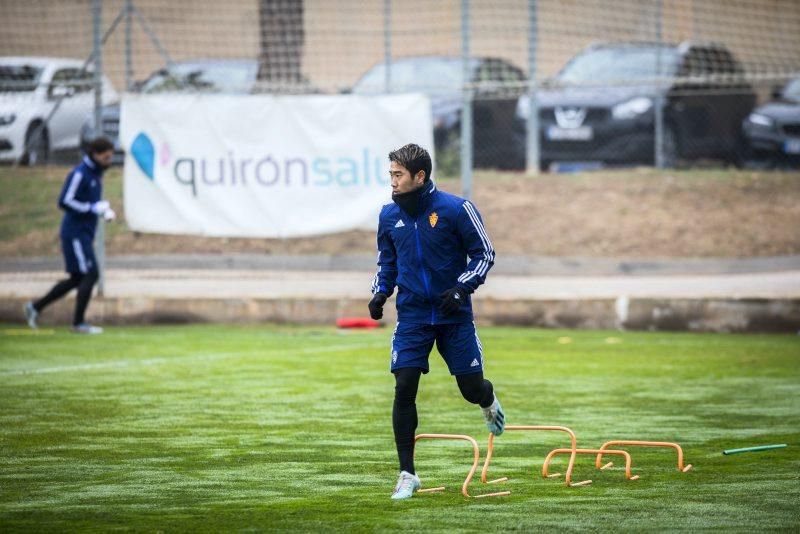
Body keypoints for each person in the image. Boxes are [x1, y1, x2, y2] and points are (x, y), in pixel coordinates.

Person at [369, 143, 505, 500]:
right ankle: (407, 473)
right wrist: (381, 292)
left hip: (453, 317)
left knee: (470, 388)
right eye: (391, 175)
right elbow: (387, 262)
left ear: (420, 176)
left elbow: (484, 253)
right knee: (404, 387)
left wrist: (462, 288)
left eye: (398, 175)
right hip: (412, 316)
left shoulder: (457, 209)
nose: (393, 182)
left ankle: (488, 399)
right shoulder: (388, 215)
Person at [24, 137, 116, 334]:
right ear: (96, 155)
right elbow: (64, 201)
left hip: (85, 234)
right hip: (75, 234)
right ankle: (78, 323)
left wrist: (101, 211)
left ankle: (35, 307)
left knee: (76, 278)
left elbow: (90, 205)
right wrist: (91, 208)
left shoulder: (95, 174)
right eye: (106, 158)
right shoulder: (80, 174)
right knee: (90, 274)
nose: (109, 162)